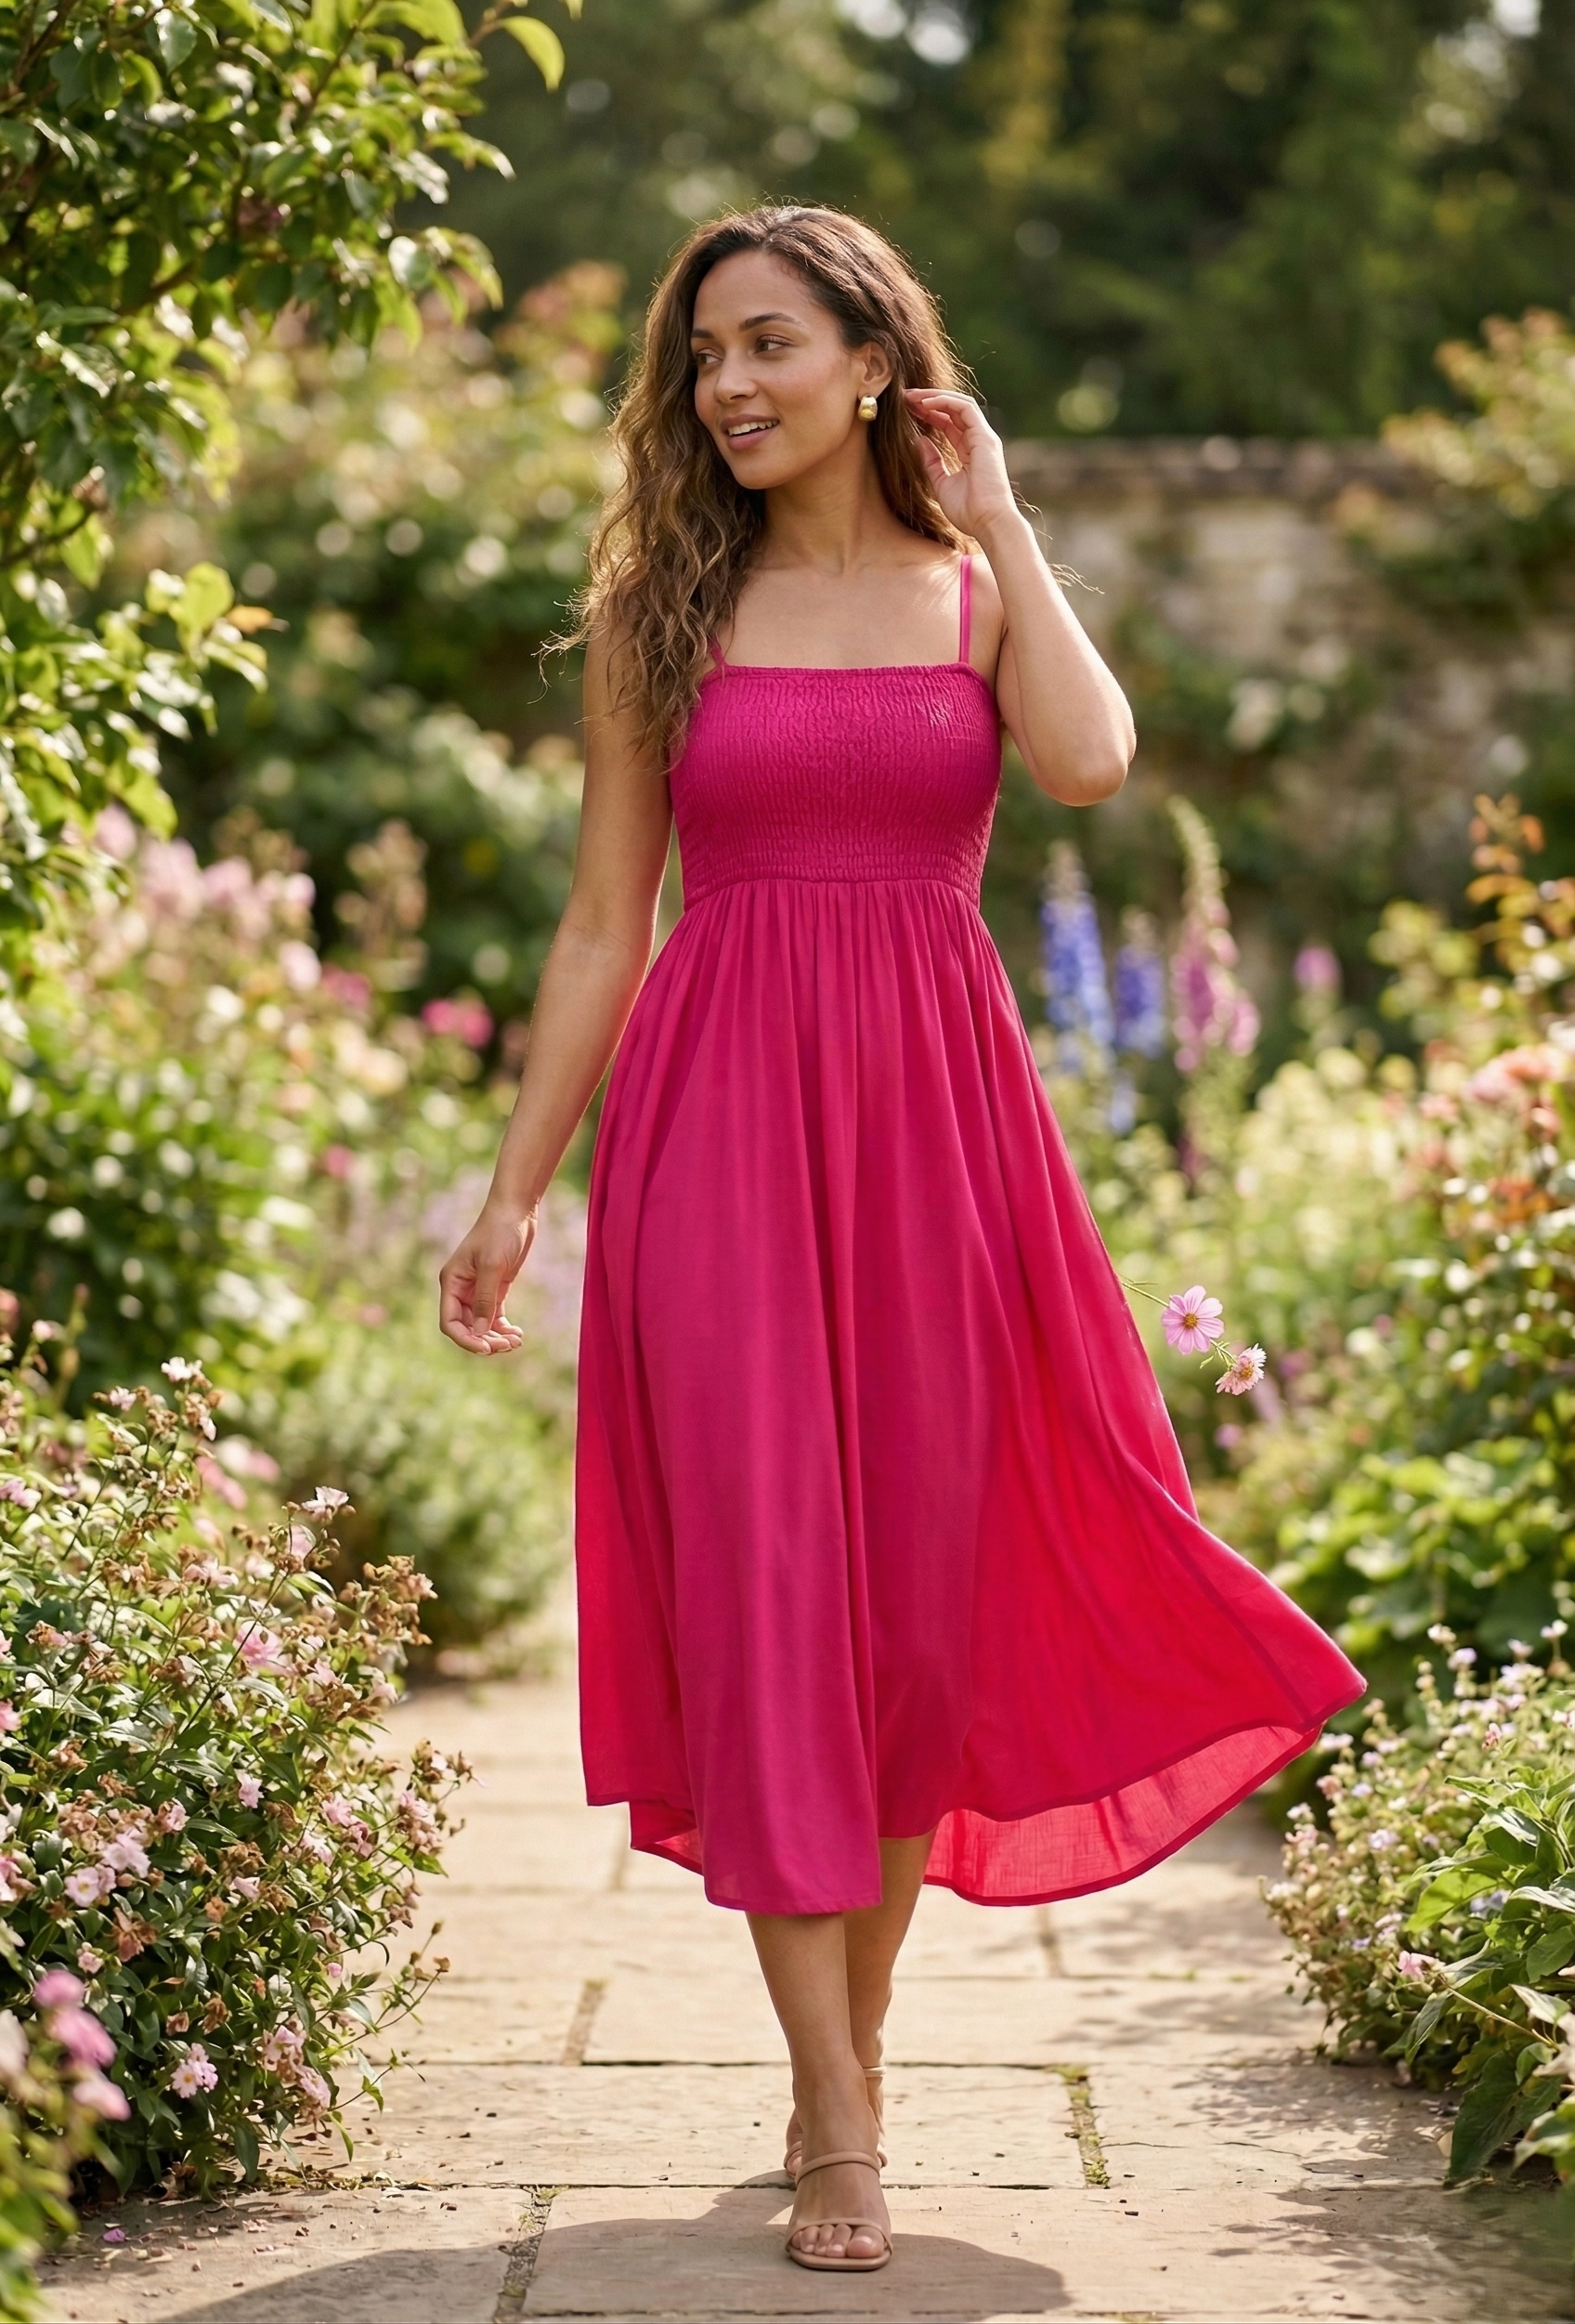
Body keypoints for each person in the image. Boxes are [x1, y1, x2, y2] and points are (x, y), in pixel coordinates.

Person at [439, 203, 1363, 2276]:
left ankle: (826, 2062)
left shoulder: (965, 602)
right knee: (774, 1598)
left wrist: (1009, 515)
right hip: (717, 1143)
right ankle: (843, 2119)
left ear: (874, 362)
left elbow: (1091, 761)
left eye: (769, 343)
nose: (729, 388)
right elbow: (603, 919)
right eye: (702, 359)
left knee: (914, 1625)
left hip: (940, 1145)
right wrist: (514, 1195)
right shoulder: (659, 616)